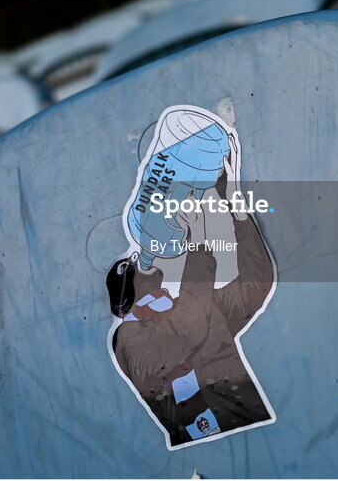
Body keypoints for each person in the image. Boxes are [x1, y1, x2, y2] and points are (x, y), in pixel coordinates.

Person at [106, 141, 276, 448]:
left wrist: (234, 207)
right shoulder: (129, 342)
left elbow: (255, 284)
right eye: (140, 265)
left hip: (256, 437)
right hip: (210, 453)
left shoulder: (186, 312)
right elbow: (189, 320)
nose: (151, 261)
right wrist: (197, 241)